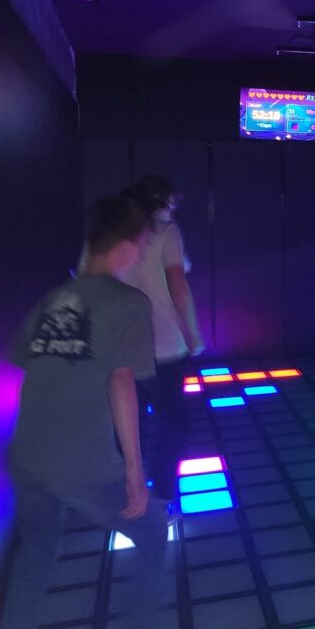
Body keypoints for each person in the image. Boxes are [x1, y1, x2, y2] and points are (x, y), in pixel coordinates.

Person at [0, 195, 167, 629]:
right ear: (126, 245)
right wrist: (135, 475)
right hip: (85, 466)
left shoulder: (53, 298)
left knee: (33, 558)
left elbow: (24, 361)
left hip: (26, 458)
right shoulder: (129, 303)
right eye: (142, 245)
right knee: (154, 532)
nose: (141, 255)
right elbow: (121, 381)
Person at [121, 175, 205, 502]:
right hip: (163, 342)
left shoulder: (114, 232)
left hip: (122, 343)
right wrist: (192, 335)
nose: (173, 209)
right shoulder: (167, 233)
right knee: (175, 421)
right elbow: (178, 287)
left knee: (130, 419)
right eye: (170, 202)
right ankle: (163, 491)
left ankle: (128, 486)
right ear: (158, 202)